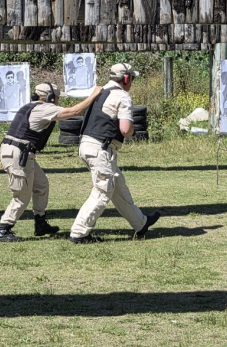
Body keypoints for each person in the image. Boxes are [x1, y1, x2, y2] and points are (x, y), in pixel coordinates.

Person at [0, 82, 104, 243]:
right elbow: (75, 111)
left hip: (15, 151)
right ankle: (3, 229)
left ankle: (40, 222)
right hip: (20, 153)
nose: (58, 101)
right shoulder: (44, 108)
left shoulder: (29, 106)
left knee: (41, 185)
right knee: (22, 195)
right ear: (50, 97)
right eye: (57, 97)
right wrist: (94, 95)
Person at [68, 63, 160, 243]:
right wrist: (133, 130)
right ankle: (79, 233)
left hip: (87, 145)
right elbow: (125, 130)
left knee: (117, 184)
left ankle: (140, 223)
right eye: (131, 78)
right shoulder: (122, 96)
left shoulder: (100, 92)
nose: (132, 81)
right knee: (102, 192)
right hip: (101, 148)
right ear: (126, 79)